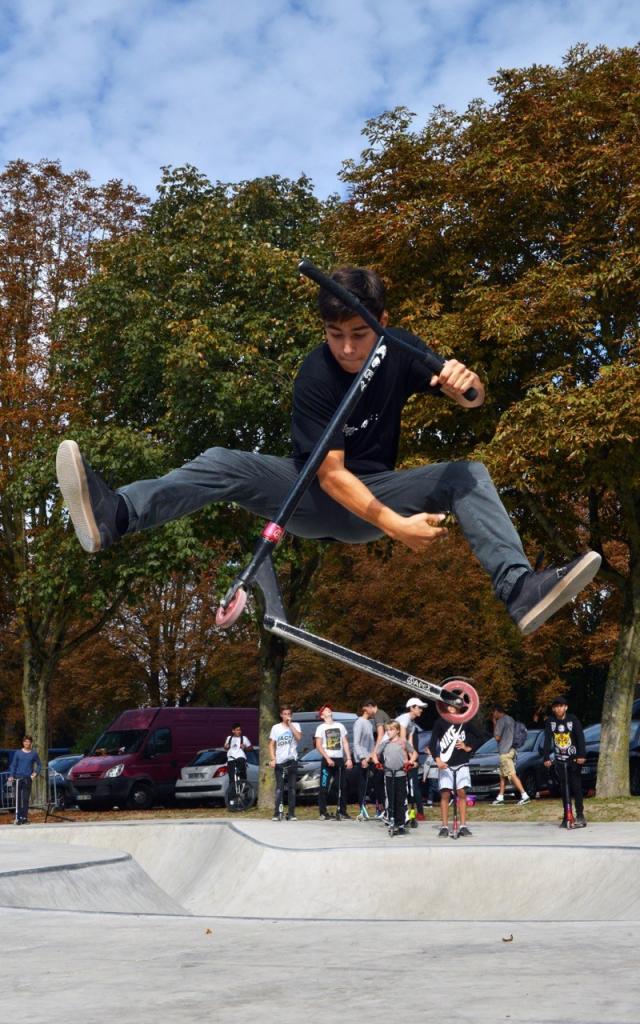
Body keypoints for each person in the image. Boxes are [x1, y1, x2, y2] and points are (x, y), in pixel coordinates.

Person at [57, 267, 601, 639]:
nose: (346, 348)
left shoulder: (402, 348)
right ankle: (118, 514)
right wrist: (396, 526)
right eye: (334, 334)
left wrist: (467, 386)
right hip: (314, 495)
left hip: (377, 490)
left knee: (469, 473)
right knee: (222, 461)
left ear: (382, 323)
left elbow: (469, 395)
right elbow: (332, 476)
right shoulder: (315, 376)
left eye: (359, 335)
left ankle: (519, 589)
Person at [430, 708, 482, 837]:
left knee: (461, 792)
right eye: (448, 705)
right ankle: (444, 826)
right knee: (445, 794)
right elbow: (431, 744)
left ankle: (463, 825)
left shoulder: (465, 721)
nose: (451, 708)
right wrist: (437, 759)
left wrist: (468, 747)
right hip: (445, 764)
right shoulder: (440, 722)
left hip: (462, 762)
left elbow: (481, 736)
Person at [542, 697, 587, 827]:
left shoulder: (572, 720)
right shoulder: (550, 722)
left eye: (561, 706)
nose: (559, 709)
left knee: (576, 786)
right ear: (553, 709)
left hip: (573, 760)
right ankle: (567, 815)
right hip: (560, 760)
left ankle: (580, 814)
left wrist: (581, 755)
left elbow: (580, 737)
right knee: (563, 788)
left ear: (566, 707)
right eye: (556, 707)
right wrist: (546, 757)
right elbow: (547, 740)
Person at [373, 720, 417, 835]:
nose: (388, 732)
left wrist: (410, 762)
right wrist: (377, 762)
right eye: (387, 730)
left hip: (400, 774)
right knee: (390, 798)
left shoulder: (403, 742)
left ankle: (401, 823)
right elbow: (375, 754)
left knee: (400, 799)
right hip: (388, 774)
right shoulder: (385, 743)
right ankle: (391, 820)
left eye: (391, 730)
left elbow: (414, 753)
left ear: (397, 730)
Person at [315, 705, 353, 819]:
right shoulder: (321, 727)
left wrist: (349, 758)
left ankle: (342, 811)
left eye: (329, 709)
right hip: (328, 760)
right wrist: (327, 758)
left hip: (339, 759)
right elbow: (318, 745)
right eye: (326, 710)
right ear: (322, 715)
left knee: (342, 786)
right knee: (324, 786)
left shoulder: (340, 726)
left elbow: (345, 742)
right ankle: (323, 812)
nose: (329, 710)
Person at [491, 705, 530, 806]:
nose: (493, 714)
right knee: (502, 776)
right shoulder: (510, 719)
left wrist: (494, 723)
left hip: (505, 751)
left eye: (493, 712)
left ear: (496, 711)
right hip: (512, 749)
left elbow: (497, 737)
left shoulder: (500, 721)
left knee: (512, 774)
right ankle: (500, 797)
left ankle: (524, 795)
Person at [395, 697, 427, 820]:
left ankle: (420, 813)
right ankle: (395, 812)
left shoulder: (412, 724)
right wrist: (405, 761)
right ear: (412, 708)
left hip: (402, 753)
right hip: (392, 752)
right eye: (419, 708)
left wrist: (412, 760)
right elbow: (402, 742)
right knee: (399, 785)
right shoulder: (404, 719)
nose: (421, 710)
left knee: (414, 785)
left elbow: (410, 744)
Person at [268, 705, 302, 821]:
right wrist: (273, 759)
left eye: (289, 714)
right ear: (281, 715)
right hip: (280, 761)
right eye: (285, 714)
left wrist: (290, 725)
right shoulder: (276, 728)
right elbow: (271, 744)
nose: (287, 716)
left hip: (292, 760)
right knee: (279, 788)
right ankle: (277, 813)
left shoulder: (296, 725)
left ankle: (291, 813)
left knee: (292, 788)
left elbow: (298, 738)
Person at [8, 736, 42, 825]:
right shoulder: (18, 753)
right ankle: (18, 817)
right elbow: (13, 765)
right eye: (25, 742)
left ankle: (24, 817)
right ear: (23, 743)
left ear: (31, 743)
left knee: (25, 799)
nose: (27, 743)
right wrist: (11, 775)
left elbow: (39, 764)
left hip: (27, 778)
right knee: (17, 799)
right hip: (17, 778)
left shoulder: (34, 754)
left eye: (29, 742)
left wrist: (34, 774)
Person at [352, 699, 377, 813]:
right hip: (362, 759)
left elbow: (371, 743)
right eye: (372, 707)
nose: (374, 710)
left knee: (373, 784)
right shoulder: (359, 722)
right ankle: (362, 808)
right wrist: (362, 757)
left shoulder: (370, 723)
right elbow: (356, 742)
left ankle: (376, 807)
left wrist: (373, 755)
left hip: (370, 758)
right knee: (362, 785)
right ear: (366, 708)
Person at [223, 724, 253, 808]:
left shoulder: (244, 738)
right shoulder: (229, 738)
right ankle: (232, 801)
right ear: (233, 731)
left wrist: (245, 747)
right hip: (231, 759)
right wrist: (226, 747)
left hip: (240, 757)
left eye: (240, 730)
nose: (239, 731)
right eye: (237, 730)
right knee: (232, 780)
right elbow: (225, 747)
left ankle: (243, 785)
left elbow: (251, 748)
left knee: (242, 775)